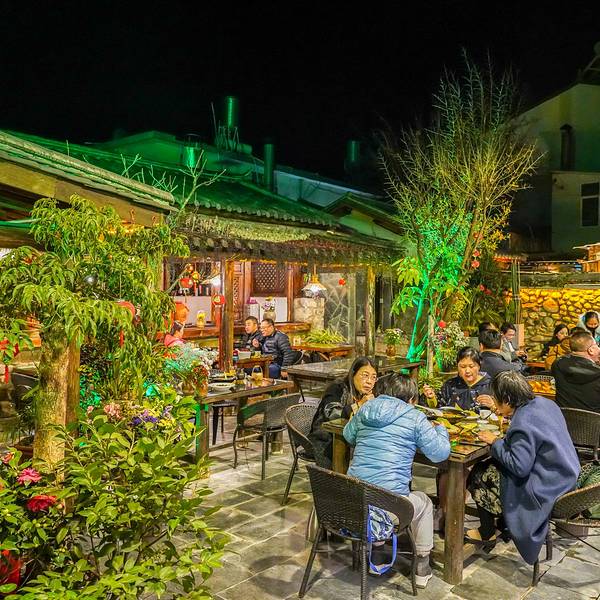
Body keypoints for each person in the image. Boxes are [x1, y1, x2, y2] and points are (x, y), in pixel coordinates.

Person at [343, 373, 451, 588]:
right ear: (411, 398)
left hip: (353, 503)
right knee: (424, 502)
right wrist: (440, 430)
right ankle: (422, 565)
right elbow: (440, 453)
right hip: (387, 509)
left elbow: (348, 435)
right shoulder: (415, 417)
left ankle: (378, 552)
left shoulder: (365, 409)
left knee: (384, 492)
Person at [467, 371, 579, 566]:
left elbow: (519, 467)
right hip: (566, 475)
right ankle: (504, 525)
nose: (496, 403)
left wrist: (495, 442)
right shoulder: (545, 403)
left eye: (497, 399)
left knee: (479, 473)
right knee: (491, 467)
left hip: (547, 487)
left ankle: (487, 531)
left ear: (507, 399)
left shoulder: (523, 422)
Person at [308, 357, 378, 468]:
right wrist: (359, 404)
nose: (369, 381)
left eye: (373, 377)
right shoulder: (337, 387)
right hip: (326, 439)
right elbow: (332, 414)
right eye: (365, 375)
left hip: (352, 437)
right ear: (353, 374)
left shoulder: (368, 393)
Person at [423, 347, 495, 412]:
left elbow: (501, 411)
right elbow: (438, 408)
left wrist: (493, 405)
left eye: (471, 366)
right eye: (463, 367)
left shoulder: (491, 385)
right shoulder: (450, 385)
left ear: (479, 366)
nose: (467, 371)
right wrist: (431, 398)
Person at [551, 330, 600, 412]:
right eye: (597, 345)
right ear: (591, 350)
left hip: (563, 417)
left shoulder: (557, 365)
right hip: (594, 419)